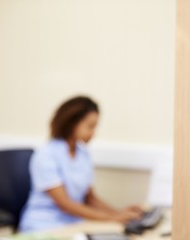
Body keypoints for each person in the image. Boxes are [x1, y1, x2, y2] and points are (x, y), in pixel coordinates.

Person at [19, 96, 143, 232]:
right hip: (44, 226)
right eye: (90, 127)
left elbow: (90, 199)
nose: (93, 133)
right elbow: (64, 204)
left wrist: (120, 213)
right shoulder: (46, 155)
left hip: (74, 223)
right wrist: (110, 218)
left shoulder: (83, 153)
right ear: (72, 123)